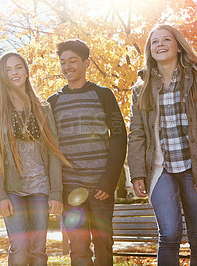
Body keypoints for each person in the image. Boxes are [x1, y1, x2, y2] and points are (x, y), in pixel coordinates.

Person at [128, 24, 197, 265]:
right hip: (160, 169)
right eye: (154, 42)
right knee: (169, 235)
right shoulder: (141, 88)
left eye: (166, 40)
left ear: (179, 47)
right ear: (150, 50)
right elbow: (137, 133)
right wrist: (137, 173)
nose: (160, 44)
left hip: (195, 166)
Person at [47, 39, 127, 266]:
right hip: (71, 189)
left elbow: (119, 136)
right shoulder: (53, 102)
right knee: (78, 249)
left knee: (104, 246)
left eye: (73, 61)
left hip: (101, 187)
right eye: (63, 62)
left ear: (86, 63)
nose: (67, 66)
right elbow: (50, 145)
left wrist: (109, 181)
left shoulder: (104, 95)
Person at [0, 52, 70, 265]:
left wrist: (55, 192)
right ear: (2, 75)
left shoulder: (43, 108)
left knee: (39, 249)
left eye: (18, 67)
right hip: (12, 189)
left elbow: (53, 152)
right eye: (8, 69)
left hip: (40, 187)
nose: (14, 73)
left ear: (26, 70)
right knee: (20, 246)